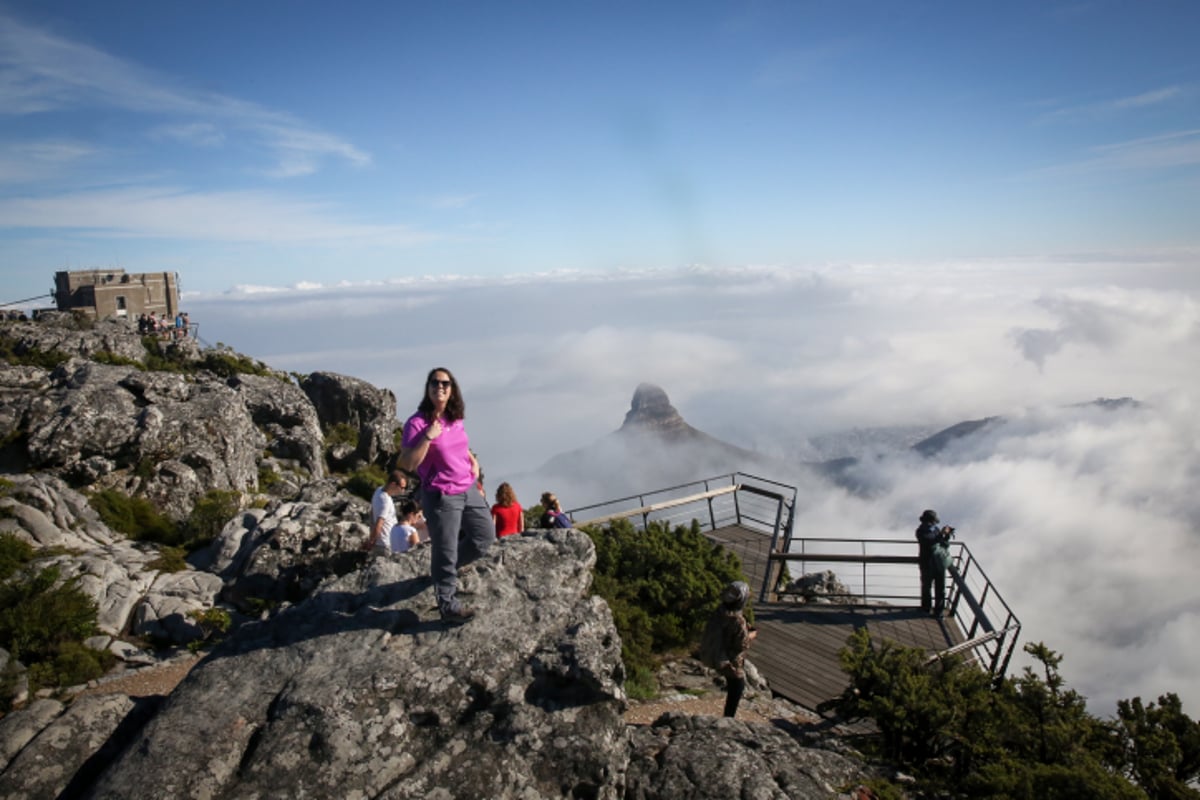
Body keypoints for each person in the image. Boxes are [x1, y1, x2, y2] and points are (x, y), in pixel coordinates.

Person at [398, 368, 494, 624]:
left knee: (484, 536)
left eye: (445, 383)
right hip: (441, 495)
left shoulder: (455, 418)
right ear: (427, 388)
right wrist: (428, 437)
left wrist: (472, 461)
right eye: (434, 383)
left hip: (468, 488)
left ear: (452, 389)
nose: (439, 387)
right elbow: (408, 463)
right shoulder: (417, 423)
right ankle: (448, 605)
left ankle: (444, 572)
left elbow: (460, 445)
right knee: (445, 549)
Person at [703, 580, 757, 718]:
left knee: (733, 684)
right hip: (729, 659)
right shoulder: (738, 620)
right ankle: (729, 717)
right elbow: (742, 644)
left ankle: (728, 715)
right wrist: (751, 635)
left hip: (715, 652)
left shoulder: (720, 610)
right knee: (737, 687)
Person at [916, 509, 954, 616]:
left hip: (936, 563)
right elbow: (928, 541)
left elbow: (944, 545)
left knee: (939, 588)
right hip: (928, 563)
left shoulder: (935, 530)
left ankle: (938, 611)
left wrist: (946, 535)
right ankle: (927, 609)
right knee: (927, 587)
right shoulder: (920, 531)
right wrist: (941, 534)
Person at [367, 471, 409, 554]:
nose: (403, 491)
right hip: (385, 544)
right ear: (393, 484)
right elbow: (379, 523)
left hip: (382, 542)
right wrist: (371, 542)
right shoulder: (385, 501)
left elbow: (372, 513)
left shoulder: (378, 490)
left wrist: (371, 536)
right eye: (402, 487)